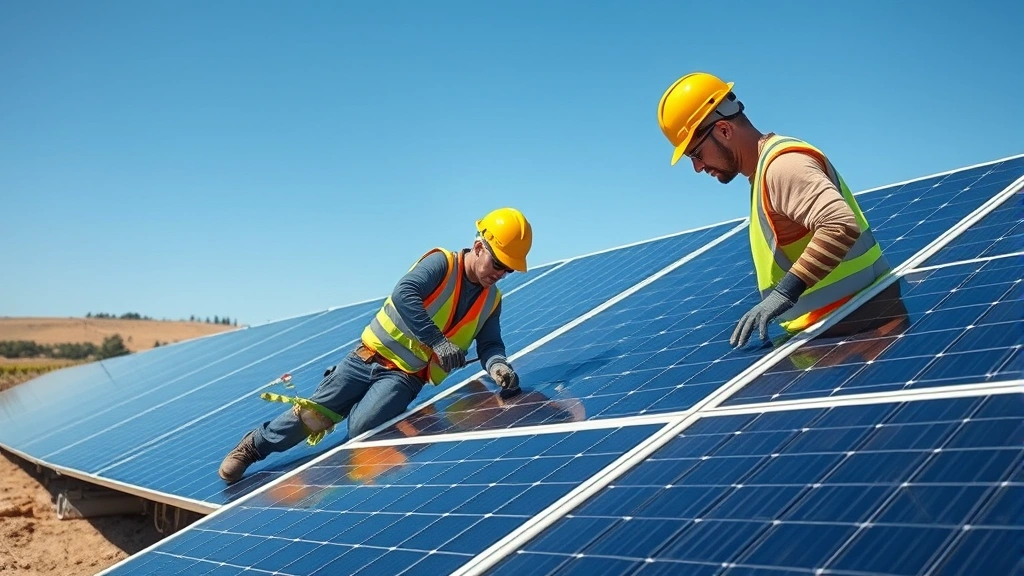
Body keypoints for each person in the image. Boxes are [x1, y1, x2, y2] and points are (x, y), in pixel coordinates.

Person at [218, 207, 532, 483]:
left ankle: (355, 407)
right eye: (498, 263)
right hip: (366, 358)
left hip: (404, 377)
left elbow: (490, 343)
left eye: (508, 269)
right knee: (314, 416)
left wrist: (498, 365)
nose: (501, 274)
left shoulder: (492, 301)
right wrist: (438, 342)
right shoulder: (442, 265)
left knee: (362, 431)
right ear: (479, 246)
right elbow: (404, 294)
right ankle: (253, 447)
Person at [656, 71, 900, 348]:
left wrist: (784, 293)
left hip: (861, 333)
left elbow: (839, 224)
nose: (697, 167)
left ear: (724, 130)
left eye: (696, 154)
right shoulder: (764, 172)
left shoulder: (782, 166)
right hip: (845, 331)